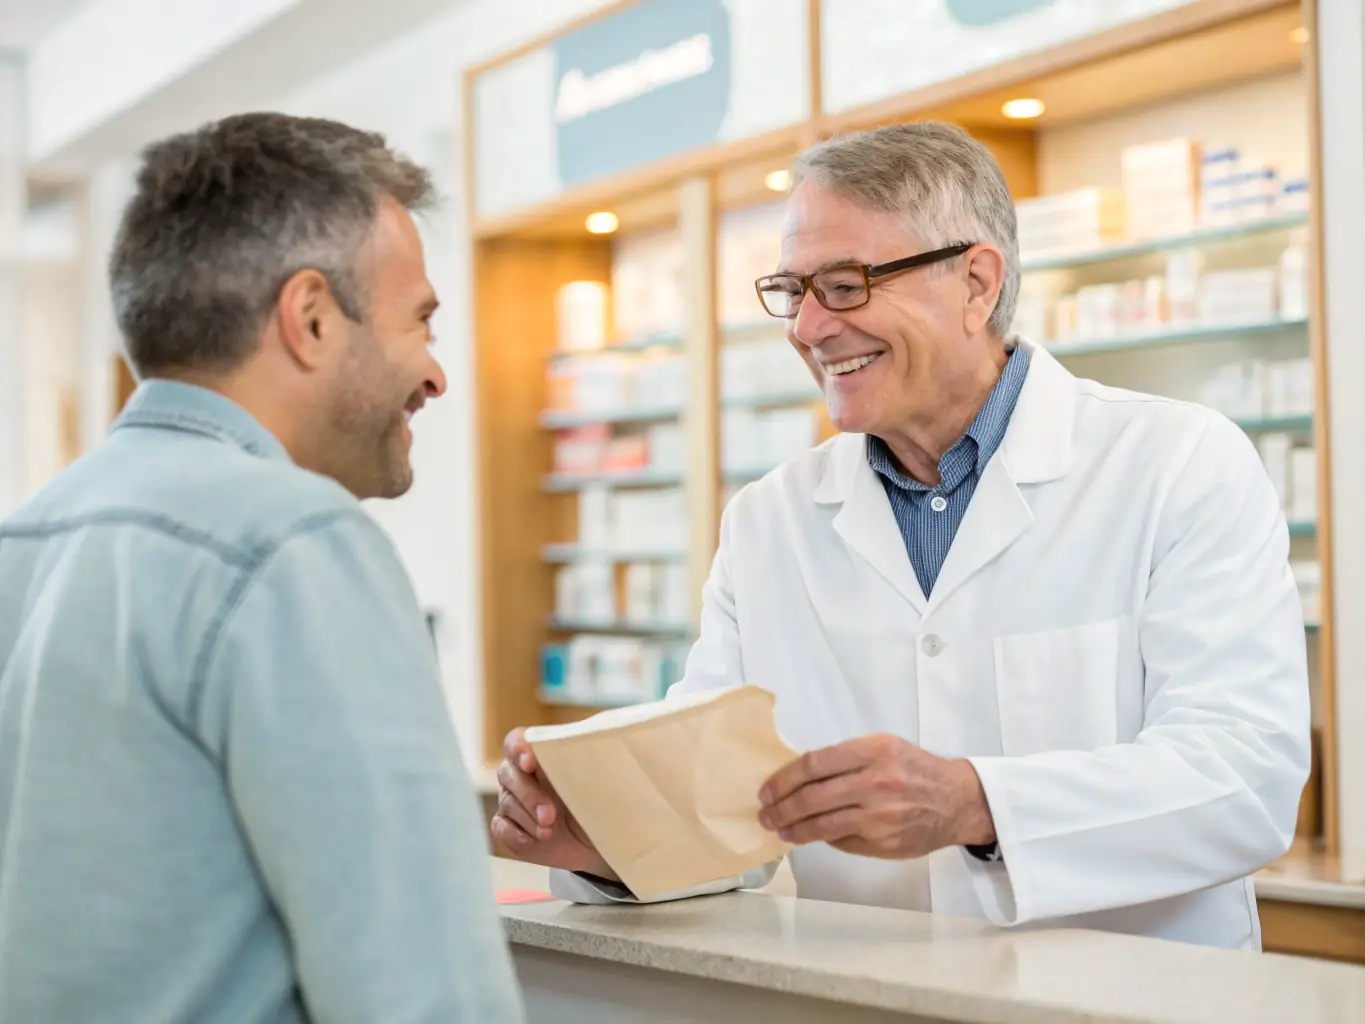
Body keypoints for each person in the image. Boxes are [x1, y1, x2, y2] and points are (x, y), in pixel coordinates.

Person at [493, 121, 1312, 951]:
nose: (806, 328)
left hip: (1128, 1003)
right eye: (791, 290)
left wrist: (974, 802)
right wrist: (607, 842)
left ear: (976, 283)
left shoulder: (1176, 463)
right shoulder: (768, 521)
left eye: (844, 285)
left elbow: (1244, 775)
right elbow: (727, 814)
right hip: (875, 1000)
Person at [0, 113, 524, 1022]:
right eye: (420, 323)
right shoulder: (292, 545)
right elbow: (418, 990)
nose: (436, 375)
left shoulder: (30, 539)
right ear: (311, 318)